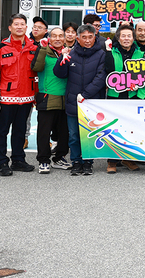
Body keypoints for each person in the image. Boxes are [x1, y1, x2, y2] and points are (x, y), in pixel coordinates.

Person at [53, 24, 107, 176]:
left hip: (92, 102)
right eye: (84, 37)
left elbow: (101, 77)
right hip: (73, 101)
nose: (87, 40)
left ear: (95, 37)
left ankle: (88, 162)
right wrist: (62, 59)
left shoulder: (101, 54)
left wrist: (86, 94)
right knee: (74, 135)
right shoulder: (71, 53)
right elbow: (60, 74)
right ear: (78, 38)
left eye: (90, 37)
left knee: (90, 134)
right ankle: (76, 161)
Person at [0, 13, 38, 176]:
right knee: (2, 130)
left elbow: (37, 73)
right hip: (6, 97)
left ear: (26, 27)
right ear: (10, 27)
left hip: (26, 97)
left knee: (20, 130)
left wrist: (36, 95)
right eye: (16, 24)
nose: (19, 27)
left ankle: (18, 160)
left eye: (22, 24)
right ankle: (1, 163)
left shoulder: (34, 48)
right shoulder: (0, 48)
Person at [104, 24, 145, 174]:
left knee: (131, 129)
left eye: (129, 36)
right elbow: (107, 71)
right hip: (115, 96)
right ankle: (112, 161)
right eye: (123, 36)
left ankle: (128, 158)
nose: (126, 38)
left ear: (133, 38)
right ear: (118, 38)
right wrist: (108, 52)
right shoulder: (111, 51)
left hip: (132, 96)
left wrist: (139, 93)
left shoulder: (140, 54)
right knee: (114, 129)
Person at [31, 27, 71, 174]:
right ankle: (43, 160)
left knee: (64, 132)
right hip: (47, 97)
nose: (58, 39)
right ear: (49, 38)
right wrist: (42, 49)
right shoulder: (44, 50)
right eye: (54, 36)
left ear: (65, 39)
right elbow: (36, 67)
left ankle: (59, 157)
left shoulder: (69, 52)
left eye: (61, 36)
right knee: (44, 132)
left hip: (65, 98)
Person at [24, 16, 49, 148]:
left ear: (46, 31)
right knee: (25, 113)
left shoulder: (50, 44)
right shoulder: (26, 43)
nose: (36, 29)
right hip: (28, 83)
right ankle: (24, 138)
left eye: (39, 27)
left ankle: (46, 140)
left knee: (45, 115)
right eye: (34, 27)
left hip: (44, 83)